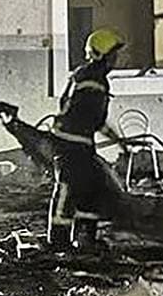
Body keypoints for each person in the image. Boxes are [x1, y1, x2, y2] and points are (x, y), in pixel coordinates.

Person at [46, 27, 132, 251]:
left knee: (87, 188)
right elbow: (95, 120)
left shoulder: (81, 75)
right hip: (73, 147)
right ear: (103, 56)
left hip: (71, 144)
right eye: (113, 54)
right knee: (69, 191)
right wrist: (119, 140)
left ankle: (79, 240)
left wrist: (118, 140)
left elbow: (83, 115)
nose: (116, 58)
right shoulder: (95, 82)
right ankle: (61, 244)